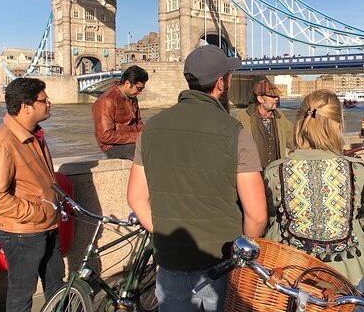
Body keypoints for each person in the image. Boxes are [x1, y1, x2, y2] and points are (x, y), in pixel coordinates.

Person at [127, 45, 267, 312]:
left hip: (170, 262)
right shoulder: (235, 132)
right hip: (221, 262)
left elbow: (136, 197)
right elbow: (257, 215)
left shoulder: (151, 128)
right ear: (220, 84)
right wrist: (242, 257)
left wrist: (164, 233)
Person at [264, 90, 364, 289]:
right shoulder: (356, 169)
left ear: (300, 123)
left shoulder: (276, 171)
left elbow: (271, 217)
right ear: (337, 126)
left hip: (290, 267)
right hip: (346, 267)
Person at [0, 78, 64, 312]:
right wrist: (37, 212)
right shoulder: (2, 143)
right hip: (22, 232)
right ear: (26, 106)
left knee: (57, 285)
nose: (49, 103)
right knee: (21, 293)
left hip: (46, 225)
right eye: (44, 100)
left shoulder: (34, 134)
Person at [92, 65, 148, 159]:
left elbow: (139, 124)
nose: (140, 92)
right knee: (148, 151)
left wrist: (148, 134)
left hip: (132, 140)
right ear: (127, 83)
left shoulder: (132, 98)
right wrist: (136, 136)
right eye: (139, 88)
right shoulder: (107, 101)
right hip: (112, 146)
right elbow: (105, 136)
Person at [237, 79, 294, 169]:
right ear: (260, 99)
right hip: (253, 173)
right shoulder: (243, 117)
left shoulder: (280, 117)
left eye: (277, 96)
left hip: (275, 174)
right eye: (273, 96)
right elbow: (234, 146)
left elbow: (294, 139)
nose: (276, 99)